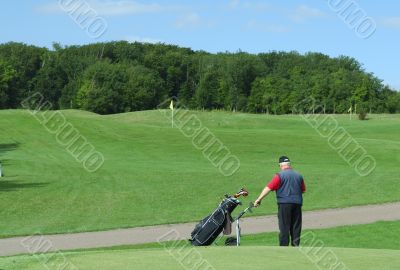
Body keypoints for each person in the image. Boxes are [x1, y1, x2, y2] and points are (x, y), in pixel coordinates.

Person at [254, 156, 306, 246]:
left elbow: (268, 188)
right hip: (297, 204)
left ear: (280, 165)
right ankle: (295, 247)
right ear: (289, 165)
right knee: (296, 227)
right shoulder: (299, 175)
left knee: (284, 226)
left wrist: (259, 199)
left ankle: (284, 248)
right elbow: (303, 190)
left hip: (284, 204)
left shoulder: (279, 176)